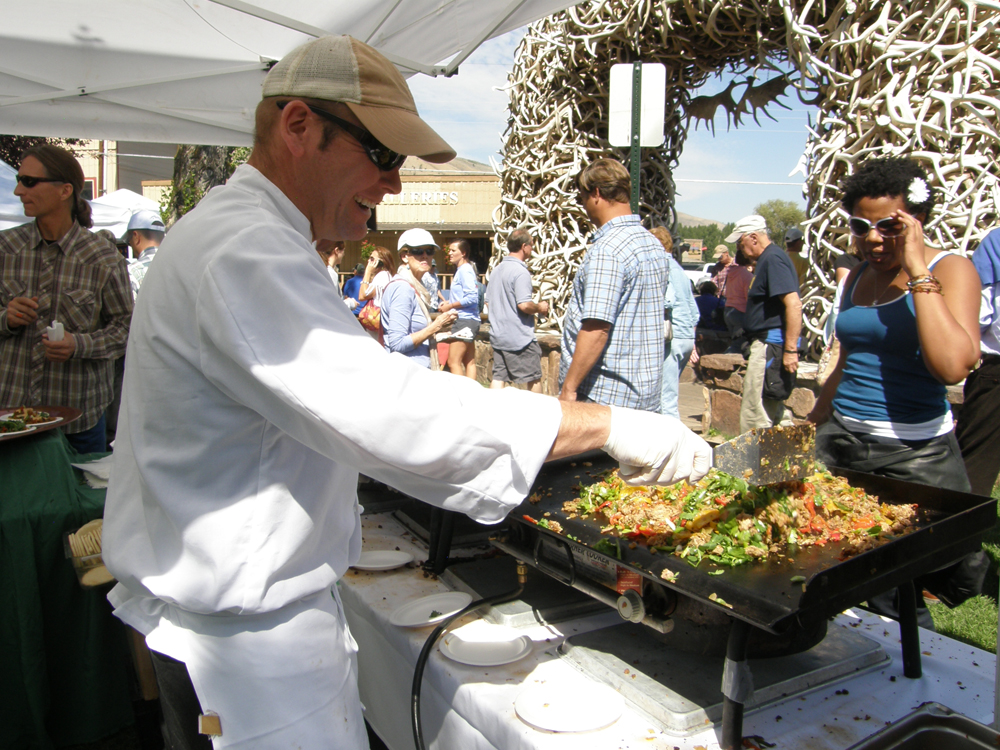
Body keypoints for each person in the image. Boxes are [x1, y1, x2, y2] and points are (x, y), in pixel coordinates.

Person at [100, 35, 714, 749]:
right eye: (382, 155)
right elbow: (391, 413)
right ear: (298, 126)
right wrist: (609, 426)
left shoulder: (254, 237)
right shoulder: (243, 247)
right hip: (246, 654)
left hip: (253, 630)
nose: (392, 184)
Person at [808, 156, 983, 624]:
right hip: (840, 440)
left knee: (897, 583)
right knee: (815, 560)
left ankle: (910, 681)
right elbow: (849, 358)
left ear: (917, 221)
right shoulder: (860, 274)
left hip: (914, 454)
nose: (873, 238)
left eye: (889, 226)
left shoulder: (952, 269)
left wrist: (918, 268)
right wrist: (812, 421)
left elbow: (952, 367)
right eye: (861, 226)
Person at [0, 144, 133, 454]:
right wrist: (6, 318)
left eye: (29, 181)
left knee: (80, 499)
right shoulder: (5, 249)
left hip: (76, 420)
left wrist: (79, 345)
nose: (19, 190)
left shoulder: (102, 257)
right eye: (20, 179)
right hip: (10, 415)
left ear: (65, 191)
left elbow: (127, 330)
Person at [559, 159, 668, 411]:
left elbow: (597, 328)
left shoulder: (607, 250)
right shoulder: (652, 244)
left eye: (582, 197)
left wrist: (569, 388)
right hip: (645, 396)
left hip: (604, 398)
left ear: (596, 194)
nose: (583, 206)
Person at [729, 214, 802, 433]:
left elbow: (794, 304)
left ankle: (752, 464)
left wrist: (790, 350)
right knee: (772, 409)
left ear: (753, 238)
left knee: (755, 415)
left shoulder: (773, 259)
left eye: (741, 243)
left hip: (770, 347)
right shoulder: (768, 260)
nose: (740, 250)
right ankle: (788, 459)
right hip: (765, 345)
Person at [957, 228, 1000, 496]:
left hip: (996, 378)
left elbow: (978, 316)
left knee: (973, 473)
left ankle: (961, 534)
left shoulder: (996, 241)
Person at [485, 226, 550, 392]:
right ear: (524, 247)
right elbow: (524, 304)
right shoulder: (520, 272)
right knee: (534, 378)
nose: (532, 249)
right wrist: (541, 307)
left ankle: (490, 413)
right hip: (519, 339)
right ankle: (536, 415)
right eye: (532, 246)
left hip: (498, 336)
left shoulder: (496, 271)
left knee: (499, 377)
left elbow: (487, 303)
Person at [381, 236, 457, 368]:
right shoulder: (402, 288)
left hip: (415, 372)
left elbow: (414, 333)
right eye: (417, 251)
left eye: (429, 251)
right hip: (408, 375)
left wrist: (440, 333)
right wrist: (436, 326)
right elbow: (397, 344)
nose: (425, 256)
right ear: (404, 256)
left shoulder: (415, 286)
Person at [650, 227, 698, 419]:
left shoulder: (663, 267)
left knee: (665, 400)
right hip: (685, 336)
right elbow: (695, 312)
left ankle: (674, 447)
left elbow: (667, 300)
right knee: (668, 394)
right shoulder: (680, 270)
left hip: (672, 338)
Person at [438, 238, 480, 379]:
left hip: (464, 320)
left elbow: (472, 298)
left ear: (463, 253)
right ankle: (471, 396)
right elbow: (464, 297)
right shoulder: (462, 270)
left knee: (453, 361)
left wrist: (450, 306)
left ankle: (462, 396)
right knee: (469, 361)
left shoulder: (465, 270)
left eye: (453, 250)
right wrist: (448, 303)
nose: (449, 253)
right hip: (470, 320)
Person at [125, 209, 166, 299]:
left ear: (136, 236)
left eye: (129, 241)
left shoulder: (132, 272)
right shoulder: (181, 266)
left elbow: (131, 310)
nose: (130, 245)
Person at [357, 245, 395, 339]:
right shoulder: (388, 275)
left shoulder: (382, 276)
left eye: (372, 259)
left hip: (377, 320)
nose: (369, 262)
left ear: (381, 262)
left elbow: (362, 295)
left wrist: (368, 272)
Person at [723, 248, 753, 353]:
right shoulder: (747, 275)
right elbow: (748, 297)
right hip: (740, 312)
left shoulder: (731, 273)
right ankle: (723, 365)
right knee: (738, 345)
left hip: (728, 310)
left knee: (735, 342)